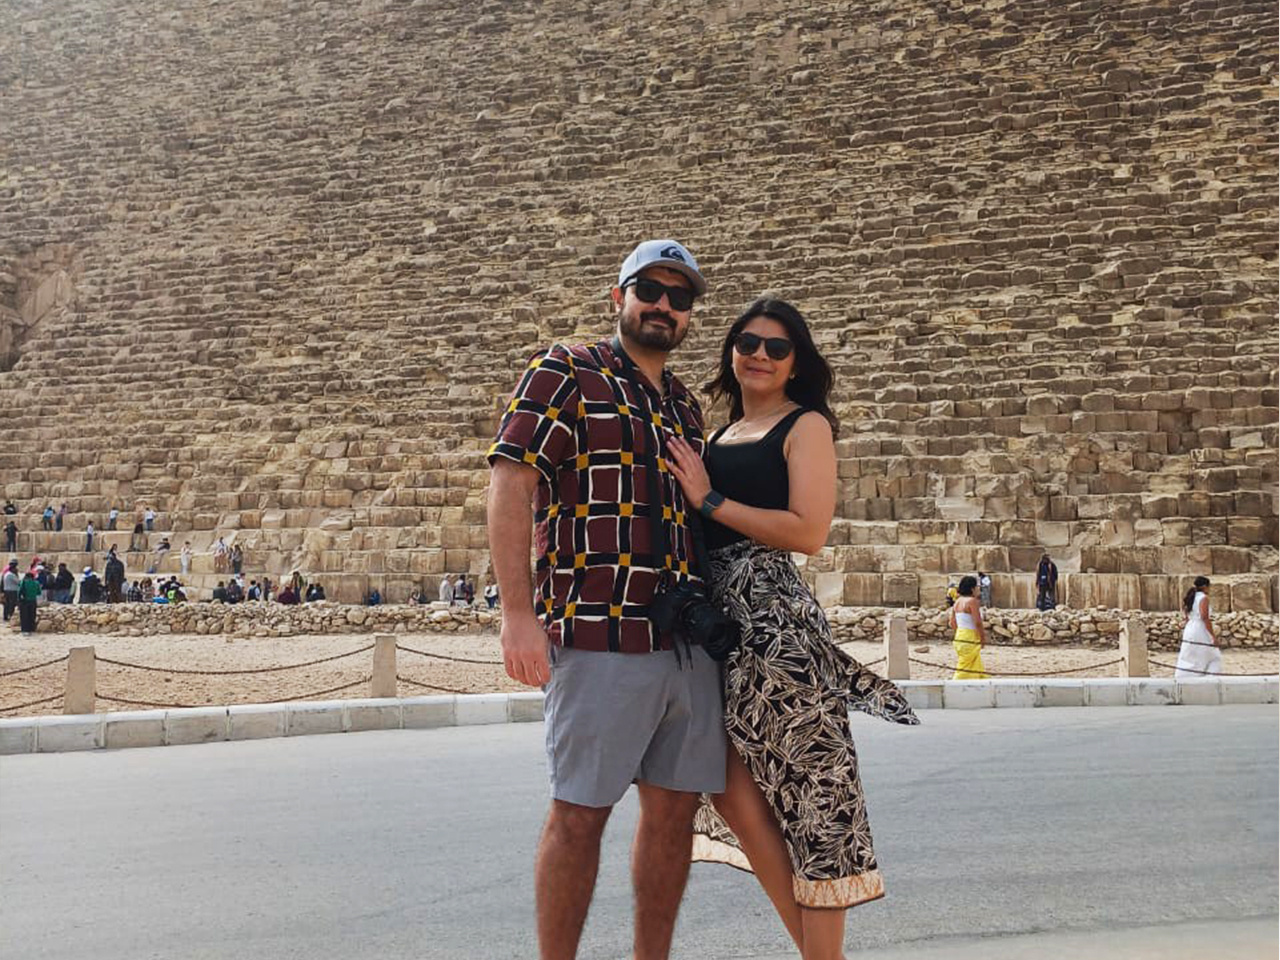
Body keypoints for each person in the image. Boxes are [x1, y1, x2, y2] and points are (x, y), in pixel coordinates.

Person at [487, 239, 725, 960]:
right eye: (649, 290)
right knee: (579, 816)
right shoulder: (566, 370)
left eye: (679, 297)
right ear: (617, 297)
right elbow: (511, 483)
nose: (663, 306)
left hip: (685, 646)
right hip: (600, 636)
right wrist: (517, 616)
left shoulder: (684, 405)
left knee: (674, 816)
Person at [666, 298, 918, 958]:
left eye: (777, 348)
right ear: (731, 349)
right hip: (721, 634)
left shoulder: (805, 426)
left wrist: (708, 499)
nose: (760, 355)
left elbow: (808, 531)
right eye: (747, 342)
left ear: (796, 363)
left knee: (814, 803)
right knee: (729, 792)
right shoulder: (718, 437)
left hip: (777, 630)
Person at [1175, 576, 1222, 678]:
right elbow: (1204, 617)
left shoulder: (1190, 597)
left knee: (1190, 655)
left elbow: (1187, 614)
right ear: (1205, 586)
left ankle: (1186, 676)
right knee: (1212, 656)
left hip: (1190, 628)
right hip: (1200, 629)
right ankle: (1209, 679)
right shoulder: (1203, 598)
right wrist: (1213, 636)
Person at [949, 575, 987, 680]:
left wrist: (960, 632)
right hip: (970, 637)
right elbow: (977, 622)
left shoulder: (957, 602)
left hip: (960, 636)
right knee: (964, 668)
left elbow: (952, 622)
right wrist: (982, 637)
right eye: (977, 587)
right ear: (972, 588)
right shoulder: (972, 601)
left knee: (972, 663)